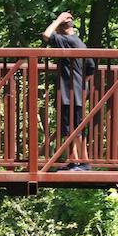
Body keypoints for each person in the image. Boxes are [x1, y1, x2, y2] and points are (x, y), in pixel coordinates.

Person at [41, 11, 93, 171]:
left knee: (71, 128)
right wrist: (81, 85)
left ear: (62, 28)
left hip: (68, 92)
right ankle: (78, 161)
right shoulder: (79, 42)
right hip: (77, 91)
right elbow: (90, 68)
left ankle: (79, 163)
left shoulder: (66, 41)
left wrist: (57, 20)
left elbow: (46, 35)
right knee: (75, 128)